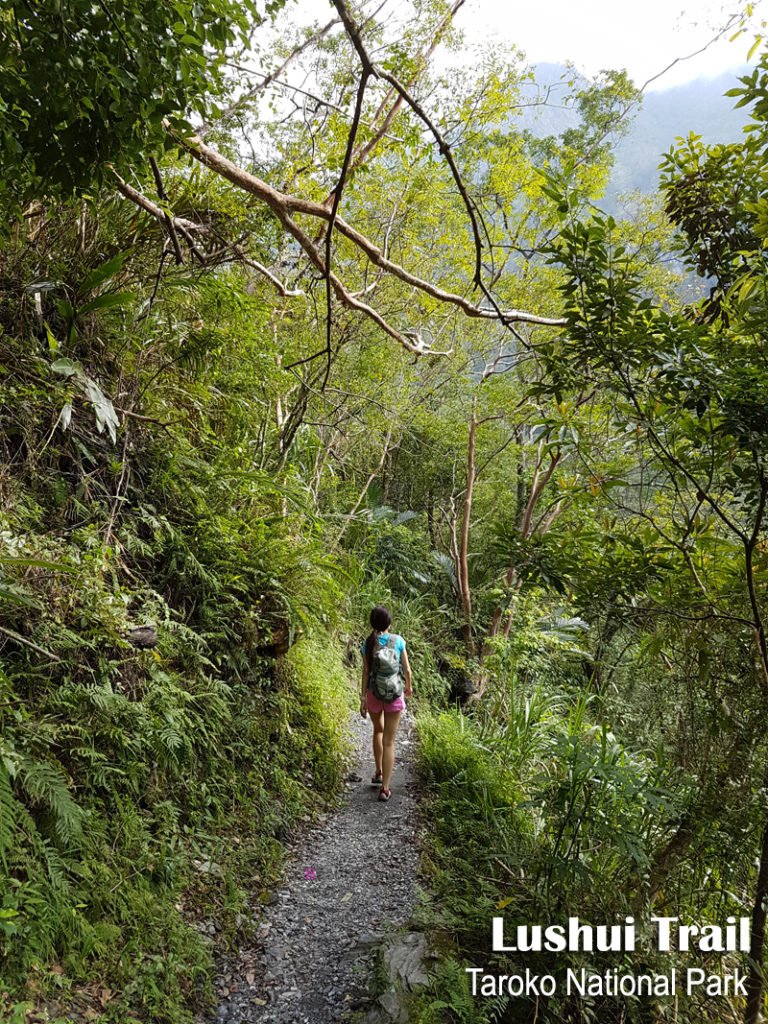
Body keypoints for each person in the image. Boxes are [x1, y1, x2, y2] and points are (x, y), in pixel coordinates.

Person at [360, 605, 412, 802]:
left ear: (372, 624)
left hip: (374, 693)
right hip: (394, 695)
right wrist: (409, 687)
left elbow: (365, 672)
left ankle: (379, 771)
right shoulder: (398, 641)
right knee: (389, 741)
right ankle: (385, 788)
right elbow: (407, 670)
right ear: (389, 623)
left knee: (378, 731)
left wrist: (363, 697)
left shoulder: (368, 642)